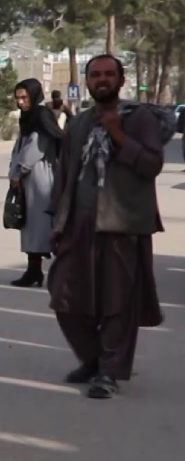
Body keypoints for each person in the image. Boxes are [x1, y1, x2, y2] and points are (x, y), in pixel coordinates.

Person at [47, 54, 174, 399]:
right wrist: (58, 222)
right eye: (95, 75)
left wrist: (118, 134)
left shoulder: (140, 118)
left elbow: (151, 165)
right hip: (80, 223)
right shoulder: (80, 123)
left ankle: (109, 372)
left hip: (122, 223)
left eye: (108, 74)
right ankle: (92, 359)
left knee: (117, 301)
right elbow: (65, 175)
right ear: (87, 81)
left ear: (121, 79)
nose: (101, 79)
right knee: (64, 296)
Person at [8, 79, 64, 287]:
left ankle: (47, 273)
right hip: (30, 179)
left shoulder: (41, 117)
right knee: (32, 227)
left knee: (41, 229)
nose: (21, 102)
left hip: (39, 178)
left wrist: (18, 172)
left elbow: (34, 149)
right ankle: (34, 271)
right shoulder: (28, 118)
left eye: (24, 97)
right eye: (18, 98)